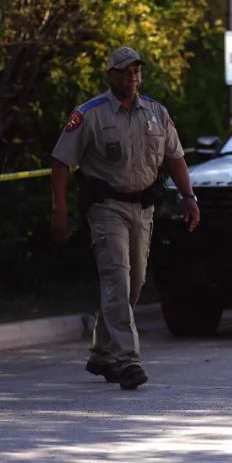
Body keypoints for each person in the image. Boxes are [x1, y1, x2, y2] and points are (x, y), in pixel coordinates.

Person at [51, 47, 200, 390]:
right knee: (117, 277)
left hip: (143, 209)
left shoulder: (156, 113)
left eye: (137, 71)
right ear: (110, 75)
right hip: (107, 208)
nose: (132, 78)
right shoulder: (90, 115)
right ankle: (127, 359)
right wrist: (60, 210)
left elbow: (175, 157)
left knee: (134, 284)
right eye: (125, 71)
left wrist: (189, 197)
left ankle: (101, 352)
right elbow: (61, 163)